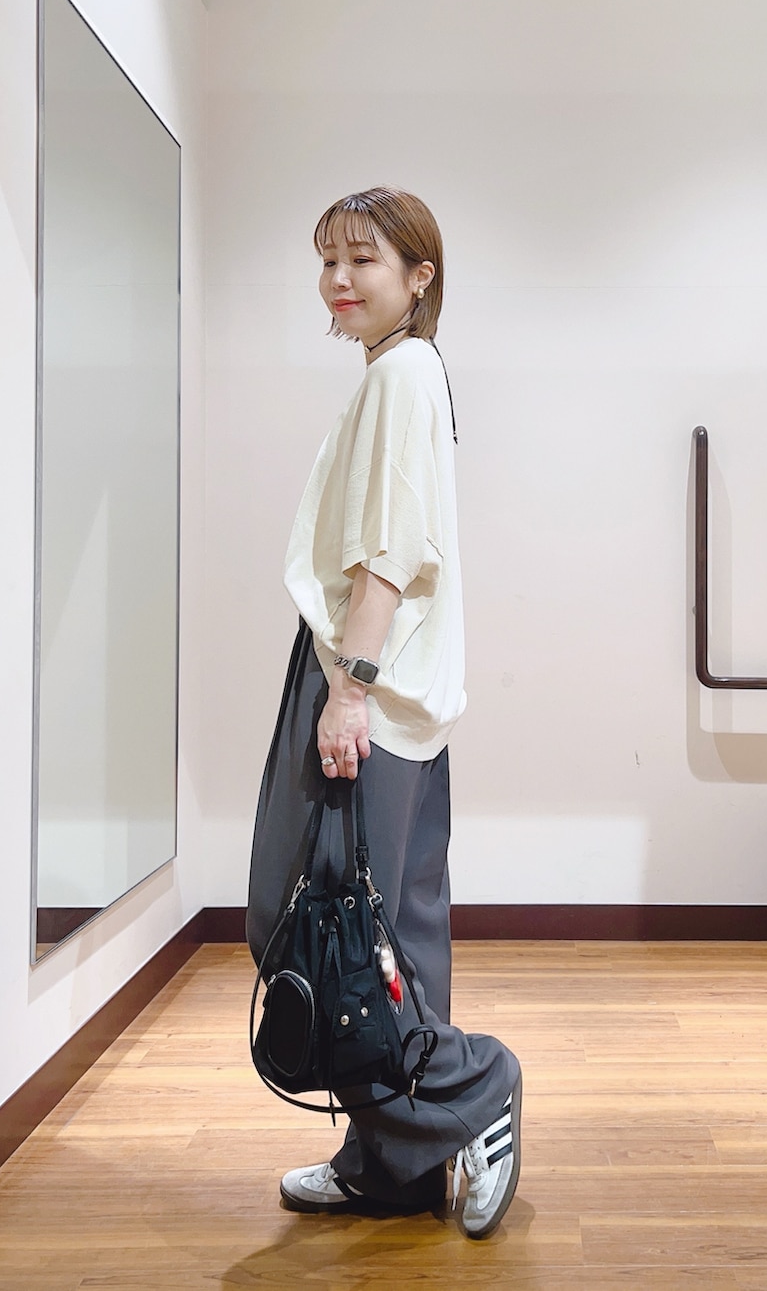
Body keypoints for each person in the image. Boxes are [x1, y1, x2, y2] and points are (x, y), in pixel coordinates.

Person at [246, 187, 522, 1239]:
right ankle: (394, 1162)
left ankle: (477, 1086)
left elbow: (389, 556)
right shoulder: (402, 372)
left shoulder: (403, 373)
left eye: (362, 259)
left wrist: (348, 690)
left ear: (419, 276)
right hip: (397, 697)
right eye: (328, 259)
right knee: (389, 931)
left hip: (370, 688)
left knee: (318, 931)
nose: (338, 279)